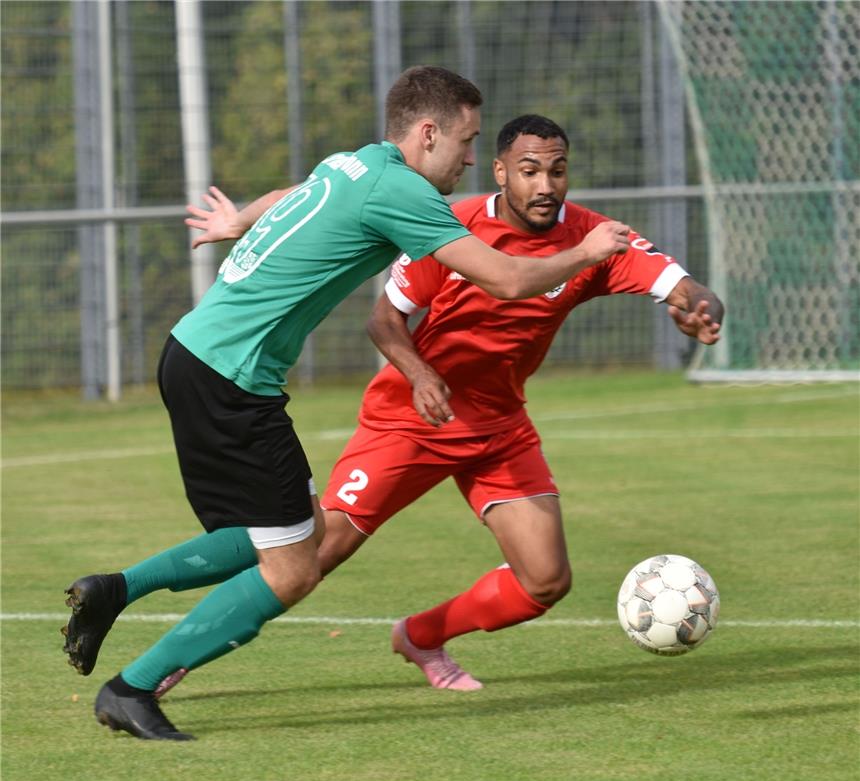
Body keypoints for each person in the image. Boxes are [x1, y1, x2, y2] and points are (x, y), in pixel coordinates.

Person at [61, 69, 632, 741]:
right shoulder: (402, 190)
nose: (472, 158)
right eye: (468, 140)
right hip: (231, 378)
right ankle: (132, 689)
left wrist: (237, 220)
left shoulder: (354, 165)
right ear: (428, 134)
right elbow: (507, 279)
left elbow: (287, 196)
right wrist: (585, 251)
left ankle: (115, 589)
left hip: (197, 353)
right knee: (296, 566)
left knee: (286, 533)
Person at [155, 114, 724, 698]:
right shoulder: (449, 226)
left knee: (545, 580)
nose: (546, 185)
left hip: (500, 426)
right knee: (309, 558)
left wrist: (700, 306)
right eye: (530, 171)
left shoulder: (589, 237)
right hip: (410, 420)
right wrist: (421, 373)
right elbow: (385, 318)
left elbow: (677, 282)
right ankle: (169, 661)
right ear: (502, 172)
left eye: (557, 171)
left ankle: (421, 636)